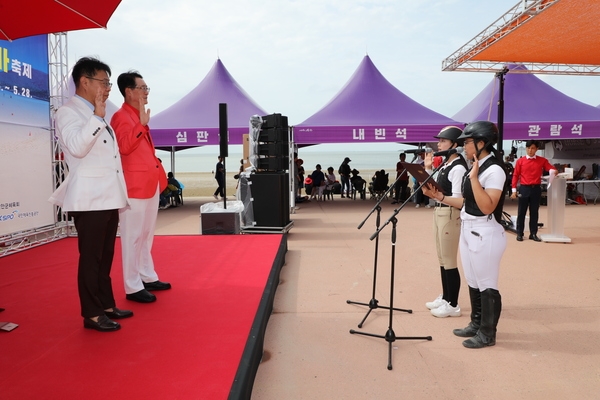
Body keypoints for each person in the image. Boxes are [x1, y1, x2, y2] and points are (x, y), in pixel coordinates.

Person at [49, 57, 132, 332]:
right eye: (104, 82)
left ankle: (106, 303)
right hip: (89, 197)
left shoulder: (98, 113)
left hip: (107, 195)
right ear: (84, 81)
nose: (108, 88)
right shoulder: (68, 112)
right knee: (91, 257)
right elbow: (77, 147)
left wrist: (98, 115)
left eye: (109, 82)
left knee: (105, 255)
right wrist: (97, 117)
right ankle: (92, 313)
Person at [425, 121, 507, 349]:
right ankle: (476, 323)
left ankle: (488, 333)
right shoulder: (476, 166)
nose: (464, 147)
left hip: (486, 231)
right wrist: (440, 197)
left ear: (482, 143)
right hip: (469, 228)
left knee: (487, 284)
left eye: (468, 142)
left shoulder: (493, 170)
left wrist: (473, 178)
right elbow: (465, 202)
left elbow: (488, 205)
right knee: (472, 280)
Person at [111, 70, 171, 304]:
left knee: (146, 235)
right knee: (132, 236)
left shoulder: (138, 115)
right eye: (142, 88)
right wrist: (140, 126)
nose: (146, 92)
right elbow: (124, 147)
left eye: (147, 88)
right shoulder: (120, 117)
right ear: (129, 91)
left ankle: (147, 275)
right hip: (134, 187)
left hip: (150, 183)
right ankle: (132, 286)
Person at [422, 127, 468, 318]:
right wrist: (426, 169)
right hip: (440, 212)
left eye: (443, 141)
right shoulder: (446, 165)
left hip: (450, 213)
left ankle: (453, 304)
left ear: (454, 145)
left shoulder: (458, 167)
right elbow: (435, 187)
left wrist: (439, 197)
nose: (439, 144)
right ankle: (446, 296)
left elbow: (457, 199)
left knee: (449, 260)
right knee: (442, 258)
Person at [510, 140, 557, 242]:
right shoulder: (520, 161)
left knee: (534, 212)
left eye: (532, 148)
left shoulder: (542, 160)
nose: (530, 150)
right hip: (524, 188)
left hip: (536, 188)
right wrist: (513, 190)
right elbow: (515, 175)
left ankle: (533, 233)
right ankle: (519, 233)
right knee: (521, 212)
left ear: (537, 149)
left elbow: (550, 168)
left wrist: (554, 170)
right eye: (528, 148)